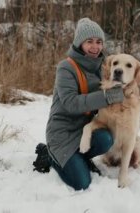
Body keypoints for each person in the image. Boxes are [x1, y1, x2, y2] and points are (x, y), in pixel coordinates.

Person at [45, 18, 125, 190]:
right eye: (89, 42)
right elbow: (70, 103)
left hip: (84, 131)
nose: (95, 47)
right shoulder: (66, 68)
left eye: (99, 42)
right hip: (62, 134)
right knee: (82, 183)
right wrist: (108, 96)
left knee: (105, 139)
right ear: (79, 43)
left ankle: (78, 157)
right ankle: (50, 154)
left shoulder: (103, 67)